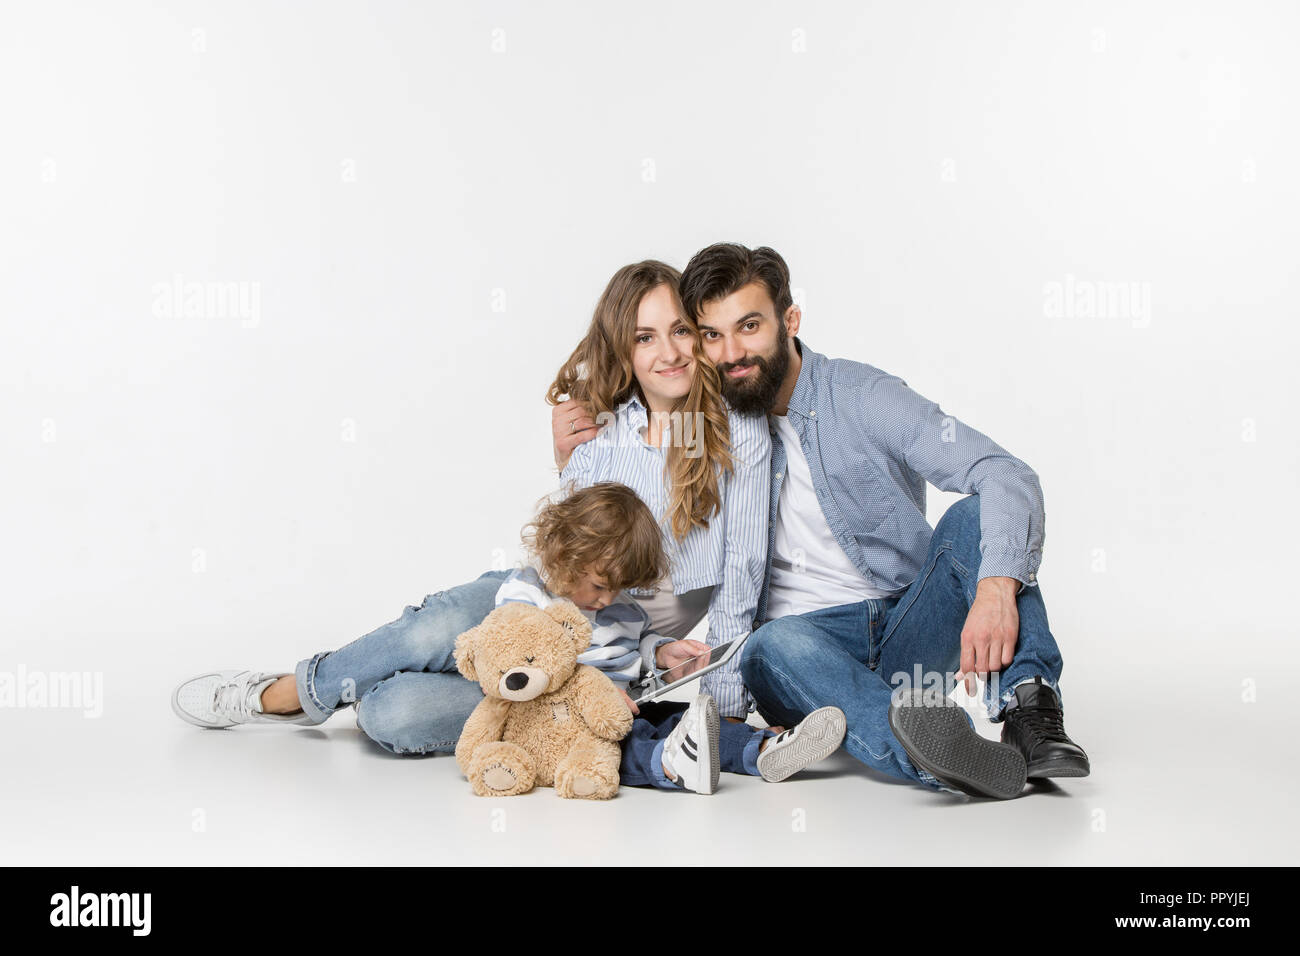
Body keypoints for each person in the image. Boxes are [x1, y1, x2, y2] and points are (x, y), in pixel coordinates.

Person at [172, 258, 845, 789]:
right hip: (539, 596)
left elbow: (741, 580)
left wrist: (725, 699)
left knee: (390, 714)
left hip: (614, 639)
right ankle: (286, 694)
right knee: (431, 628)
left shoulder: (739, 432)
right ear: (623, 349)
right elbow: (573, 547)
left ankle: (372, 694)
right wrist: (568, 459)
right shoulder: (600, 430)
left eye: (679, 331)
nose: (667, 352)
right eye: (644, 337)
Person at [651, 241, 1090, 800]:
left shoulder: (862, 397)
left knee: (976, 517)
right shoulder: (705, 425)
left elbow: (1004, 472)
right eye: (713, 335)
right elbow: (632, 491)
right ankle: (939, 756)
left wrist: (996, 588)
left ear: (791, 320)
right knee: (766, 644)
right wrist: (577, 444)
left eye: (750, 326)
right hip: (802, 657)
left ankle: (1031, 711)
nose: (733, 352)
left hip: (907, 627)